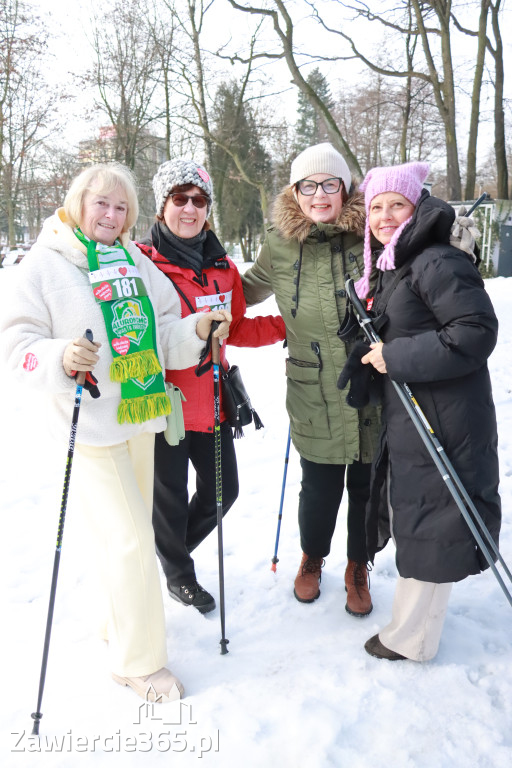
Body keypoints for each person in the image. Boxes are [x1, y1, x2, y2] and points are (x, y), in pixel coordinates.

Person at [0, 163, 231, 701]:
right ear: (78, 203)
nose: (111, 214)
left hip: (140, 416)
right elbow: (15, 351)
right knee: (132, 539)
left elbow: (166, 328)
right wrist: (60, 355)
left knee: (114, 536)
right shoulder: (44, 265)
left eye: (121, 207)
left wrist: (196, 329)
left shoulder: (131, 260)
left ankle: (115, 622)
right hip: (90, 427)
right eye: (101, 203)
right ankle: (139, 662)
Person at [356, 161, 501, 661]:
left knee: (432, 524)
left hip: (443, 417)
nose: (385, 215)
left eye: (397, 204)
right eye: (376, 207)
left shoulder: (435, 260)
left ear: (417, 207)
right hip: (418, 412)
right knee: (423, 520)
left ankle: (413, 639)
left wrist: (394, 357)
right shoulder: (400, 262)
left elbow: (475, 331)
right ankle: (414, 629)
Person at [137, 158, 286, 613]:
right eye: (179, 199)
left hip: (214, 401)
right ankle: (179, 575)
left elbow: (237, 328)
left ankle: (166, 557)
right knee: (169, 497)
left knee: (223, 492)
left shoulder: (222, 268)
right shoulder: (142, 263)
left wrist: (291, 327)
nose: (190, 208)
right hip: (164, 405)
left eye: (199, 200)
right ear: (162, 207)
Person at [241, 142, 380, 616]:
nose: (319, 195)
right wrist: (200, 301)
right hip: (311, 386)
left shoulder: (371, 236)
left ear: (345, 188)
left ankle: (358, 566)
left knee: (366, 483)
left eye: (329, 184)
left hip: (371, 385)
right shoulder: (280, 243)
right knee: (318, 485)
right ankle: (312, 558)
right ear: (295, 192)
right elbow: (242, 291)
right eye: (308, 186)